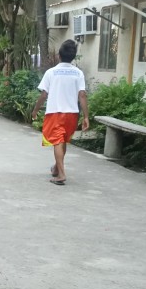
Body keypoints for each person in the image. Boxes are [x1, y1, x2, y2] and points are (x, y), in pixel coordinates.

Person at [30, 39, 90, 186]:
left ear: (59, 55)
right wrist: (86, 116)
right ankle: (57, 168)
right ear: (73, 56)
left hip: (55, 112)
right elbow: (82, 95)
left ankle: (61, 174)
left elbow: (44, 95)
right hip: (72, 114)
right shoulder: (78, 73)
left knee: (57, 141)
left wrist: (35, 109)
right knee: (62, 141)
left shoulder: (51, 72)